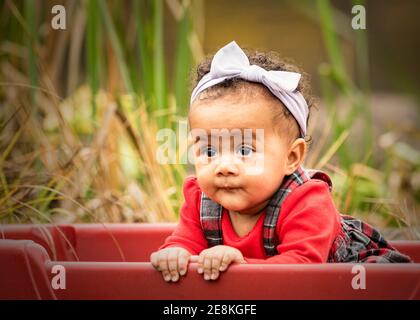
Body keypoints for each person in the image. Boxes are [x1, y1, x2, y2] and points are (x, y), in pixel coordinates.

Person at [150, 41, 412, 283]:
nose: (224, 166)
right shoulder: (199, 199)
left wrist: (240, 265)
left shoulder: (307, 201)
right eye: (209, 151)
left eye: (244, 150)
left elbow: (302, 269)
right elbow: (184, 241)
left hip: (357, 281)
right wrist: (174, 254)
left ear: (291, 157)